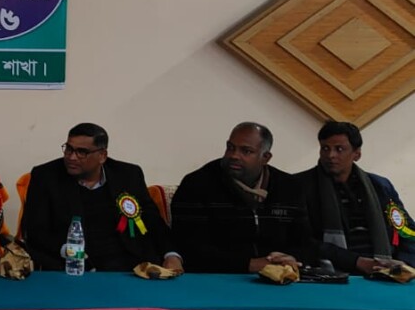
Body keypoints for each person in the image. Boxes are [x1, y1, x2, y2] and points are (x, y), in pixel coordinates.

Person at [20, 123, 180, 273]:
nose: (72, 157)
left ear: (102, 155)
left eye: (81, 152)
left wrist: (171, 255)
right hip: (74, 267)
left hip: (131, 266)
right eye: (68, 149)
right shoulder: (45, 176)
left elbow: (152, 221)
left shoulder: (128, 175)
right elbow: (35, 231)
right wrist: (69, 251)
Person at [170, 122, 315, 273]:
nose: (234, 156)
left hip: (278, 276)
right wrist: (249, 264)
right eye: (230, 148)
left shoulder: (290, 187)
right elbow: (188, 248)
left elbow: (305, 243)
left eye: (246, 151)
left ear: (265, 157)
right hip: (218, 277)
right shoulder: (197, 184)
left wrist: (291, 258)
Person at [295, 120, 415, 273]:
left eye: (339, 149)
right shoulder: (300, 186)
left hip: (383, 271)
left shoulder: (380, 187)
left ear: (357, 154)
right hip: (326, 273)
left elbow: (407, 231)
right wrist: (356, 262)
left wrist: (405, 264)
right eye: (325, 148)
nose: (330, 155)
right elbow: (300, 240)